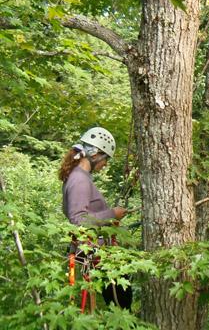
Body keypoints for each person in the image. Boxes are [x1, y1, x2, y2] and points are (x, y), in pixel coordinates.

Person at [59, 126, 132, 309]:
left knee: (119, 302)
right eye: (105, 158)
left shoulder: (78, 177)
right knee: (121, 305)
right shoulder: (79, 180)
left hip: (96, 252)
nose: (105, 164)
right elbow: (78, 219)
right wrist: (111, 214)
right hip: (96, 254)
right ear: (95, 154)